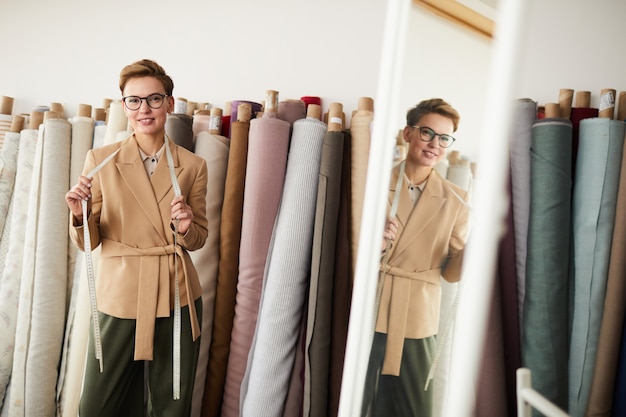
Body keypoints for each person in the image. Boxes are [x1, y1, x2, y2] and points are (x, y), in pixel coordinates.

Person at [65, 59, 209, 417]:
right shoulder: (99, 161)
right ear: (123, 106)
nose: (144, 109)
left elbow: (199, 239)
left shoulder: (192, 166)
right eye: (134, 100)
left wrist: (187, 225)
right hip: (119, 293)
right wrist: (79, 215)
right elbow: (89, 243)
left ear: (170, 104)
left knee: (171, 404)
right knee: (97, 406)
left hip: (176, 293)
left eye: (154, 99)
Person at [361, 98, 470, 417]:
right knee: (357, 398)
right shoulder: (374, 184)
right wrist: (373, 242)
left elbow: (450, 273)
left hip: (419, 316)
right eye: (427, 133)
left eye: (444, 138)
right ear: (407, 134)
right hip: (371, 307)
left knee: (414, 408)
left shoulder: (458, 199)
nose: (435, 144)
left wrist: (475, 252)